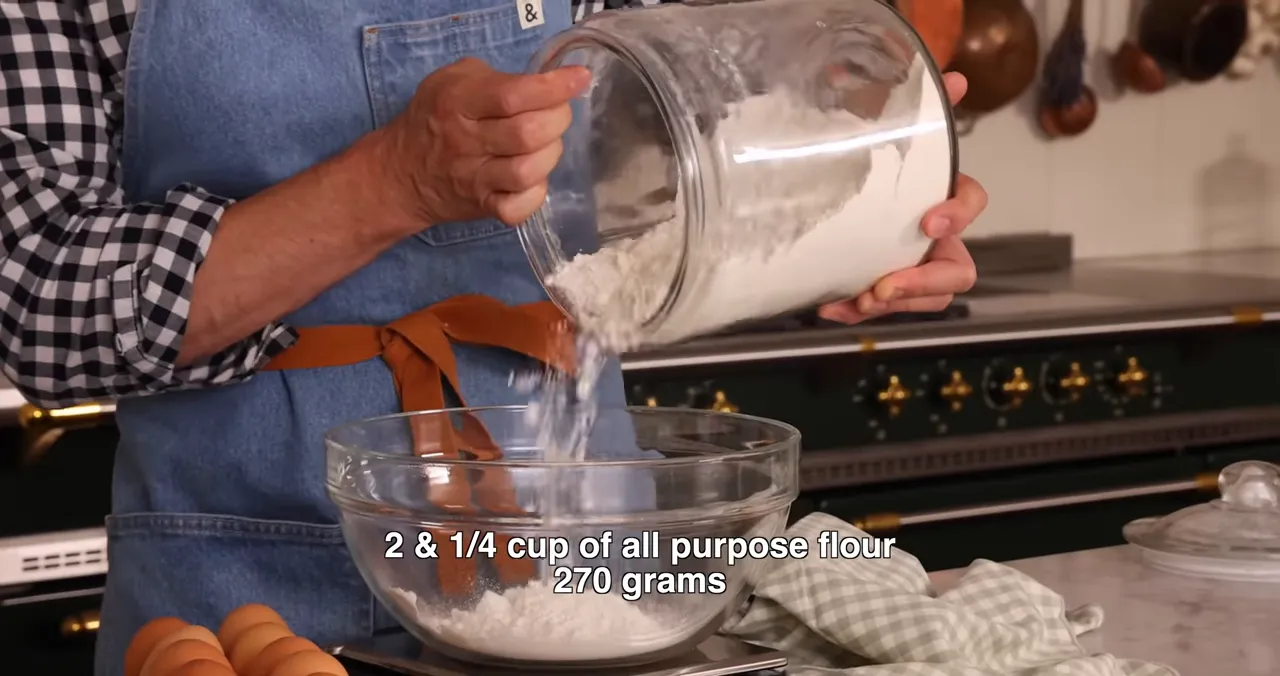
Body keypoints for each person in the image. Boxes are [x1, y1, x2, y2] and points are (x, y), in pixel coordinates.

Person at [0, 1, 987, 674]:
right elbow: (45, 310)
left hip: (593, 562)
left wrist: (865, 218)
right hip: (239, 584)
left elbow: (701, 156)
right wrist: (394, 181)